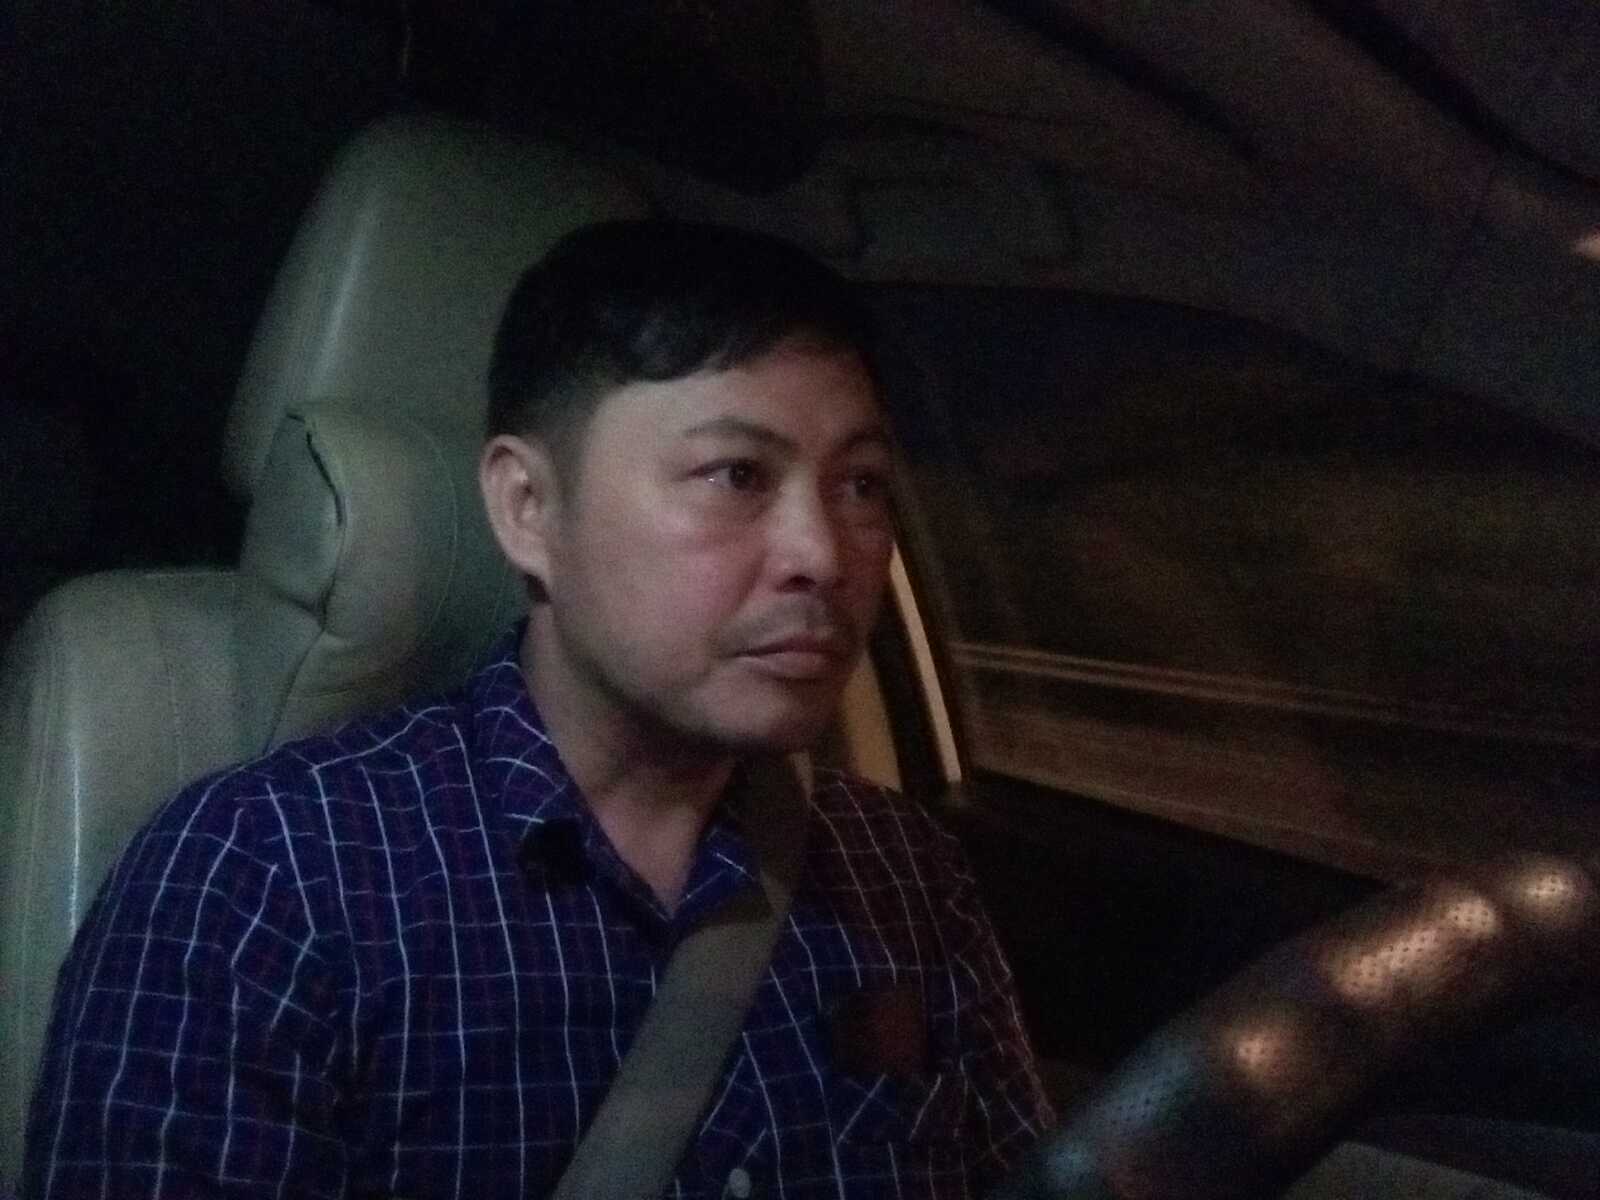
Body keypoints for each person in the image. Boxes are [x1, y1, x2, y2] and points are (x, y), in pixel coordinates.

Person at [23, 221, 1055, 1199]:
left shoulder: (904, 874)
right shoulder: (265, 880)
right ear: (527, 508)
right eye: (736, 475)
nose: (823, 554)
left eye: (862, 485)